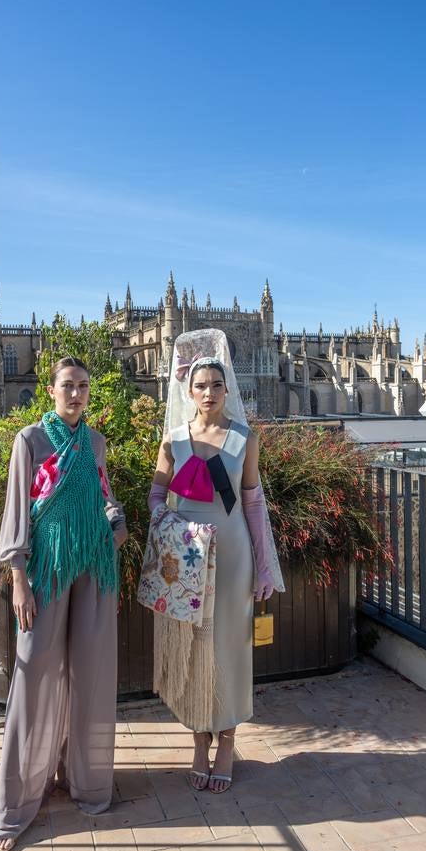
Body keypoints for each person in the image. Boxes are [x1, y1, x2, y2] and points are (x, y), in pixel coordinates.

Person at [0, 356, 127, 851]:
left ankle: (87, 783)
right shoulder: (29, 441)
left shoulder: (96, 443)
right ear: (50, 391)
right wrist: (19, 579)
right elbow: (17, 513)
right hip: (46, 571)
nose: (76, 394)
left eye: (83, 387)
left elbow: (105, 496)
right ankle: (18, 803)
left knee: (91, 674)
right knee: (33, 674)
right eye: (68, 386)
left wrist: (117, 522)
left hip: (94, 565)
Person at [148, 329, 284, 793]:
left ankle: (226, 740)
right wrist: (168, 527)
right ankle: (199, 740)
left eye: (216, 386)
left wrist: (265, 566)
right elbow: (156, 494)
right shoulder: (172, 440)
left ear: (228, 391)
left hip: (232, 556)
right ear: (188, 391)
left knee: (228, 647)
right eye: (200, 386)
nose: (208, 393)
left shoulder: (244, 438)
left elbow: (252, 504)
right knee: (192, 649)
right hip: (187, 560)